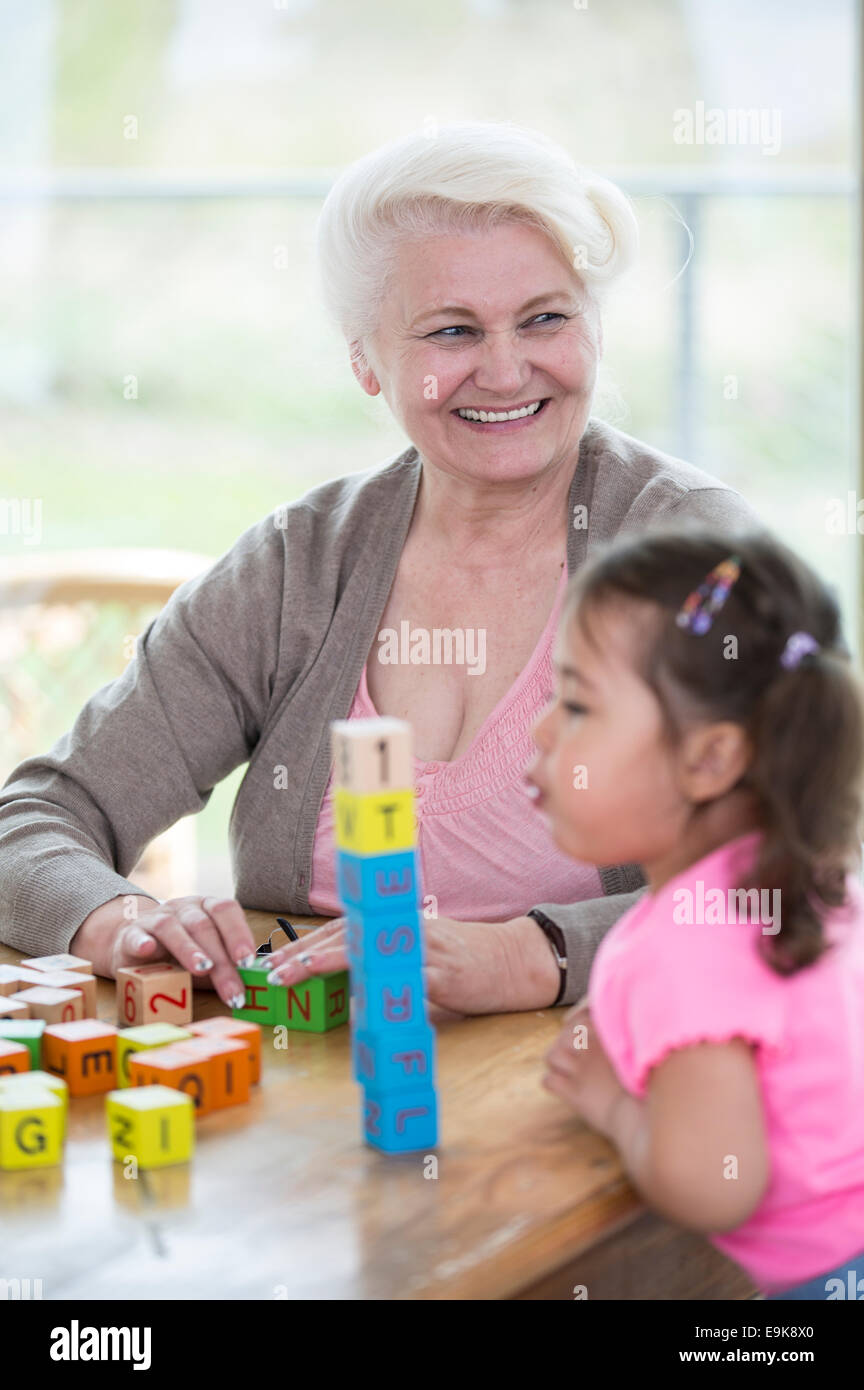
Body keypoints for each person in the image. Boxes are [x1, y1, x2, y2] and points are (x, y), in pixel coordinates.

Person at [1, 121, 758, 1014]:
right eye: (451, 331)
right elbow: (38, 820)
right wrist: (116, 918)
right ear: (365, 359)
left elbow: (793, 874)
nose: (507, 370)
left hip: (611, 1078)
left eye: (546, 318)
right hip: (312, 1086)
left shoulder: (696, 548)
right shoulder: (298, 564)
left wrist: (534, 957)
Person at [536, 525, 864, 1299]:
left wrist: (610, 1104)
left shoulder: (683, 945)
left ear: (710, 759)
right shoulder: (813, 878)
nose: (540, 728)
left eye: (577, 704)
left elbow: (719, 1185)